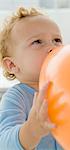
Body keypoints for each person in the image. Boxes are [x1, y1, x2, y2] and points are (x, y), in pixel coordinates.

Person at [0, 7, 63, 150]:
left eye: (57, 40)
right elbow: (4, 143)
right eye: (37, 42)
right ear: (12, 64)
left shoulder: (68, 89)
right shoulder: (16, 97)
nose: (52, 47)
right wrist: (32, 130)